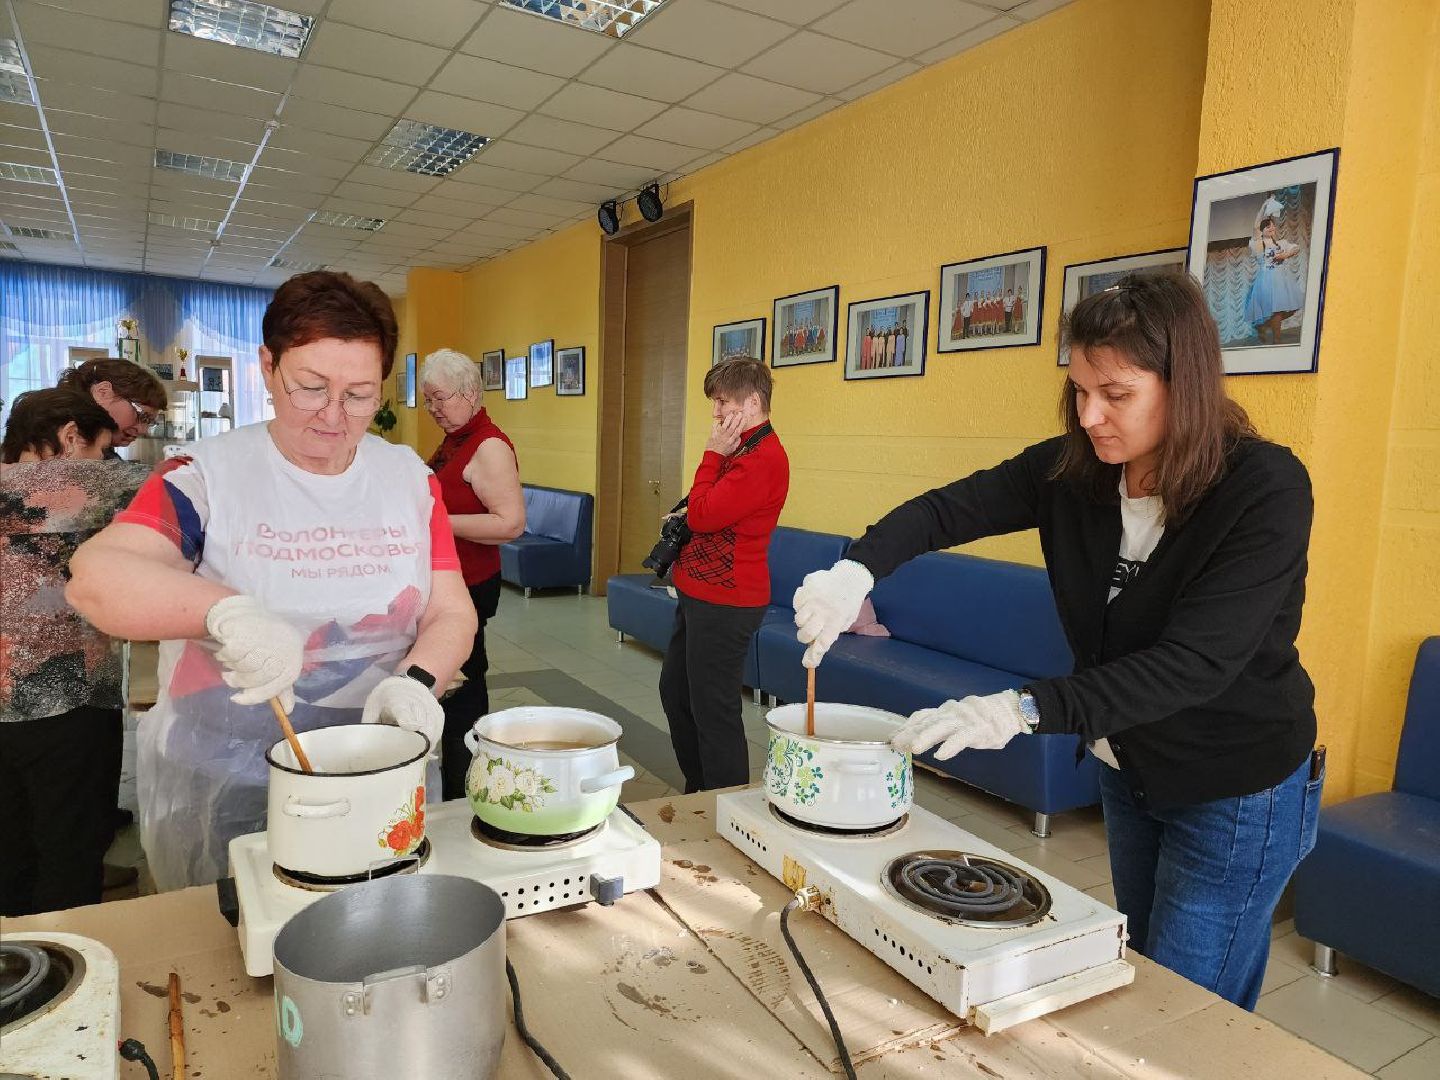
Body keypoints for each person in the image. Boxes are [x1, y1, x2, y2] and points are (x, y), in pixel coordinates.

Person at [793, 271, 1321, 1011]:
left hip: (1234, 783)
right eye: (1078, 390)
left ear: (1185, 383)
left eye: (1117, 394)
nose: (1091, 415)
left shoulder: (1264, 488)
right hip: (1128, 762)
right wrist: (856, 569)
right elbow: (950, 509)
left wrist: (1023, 709)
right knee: (1141, 965)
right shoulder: (1079, 467)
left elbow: (1196, 663)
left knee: (1186, 1007)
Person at [67, 271, 478, 889]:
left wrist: (418, 684)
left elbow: (450, 610)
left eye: (361, 394)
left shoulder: (407, 479)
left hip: (378, 768)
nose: (335, 416)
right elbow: (95, 578)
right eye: (310, 388)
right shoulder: (206, 476)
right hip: (229, 776)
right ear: (267, 366)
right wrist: (226, 612)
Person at [1, 389, 151, 915]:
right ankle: (66, 976)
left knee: (11, 848)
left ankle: (18, 967)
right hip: (65, 702)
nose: (104, 463)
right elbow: (185, 482)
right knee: (70, 849)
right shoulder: (63, 484)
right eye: (99, 450)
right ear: (69, 436)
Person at [660, 359, 789, 793]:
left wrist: (712, 453)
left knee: (713, 711)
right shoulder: (743, 449)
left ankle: (724, 803)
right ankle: (699, 791)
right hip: (700, 595)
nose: (715, 413)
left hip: (728, 602)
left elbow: (704, 512)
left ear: (753, 401)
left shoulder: (763, 457)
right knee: (676, 694)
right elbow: (706, 508)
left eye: (721, 401)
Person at [420, 348, 525, 800]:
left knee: (465, 685)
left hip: (471, 586)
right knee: (454, 681)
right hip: (448, 582)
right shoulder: (456, 439)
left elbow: (510, 524)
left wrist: (436, 521)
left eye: (440, 399)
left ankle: (465, 787)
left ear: (469, 393)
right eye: (428, 401)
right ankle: (456, 780)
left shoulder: (489, 446)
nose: (433, 410)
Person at [57, 357, 167, 457]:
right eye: (142, 416)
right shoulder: (54, 442)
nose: (143, 430)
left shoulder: (106, 452)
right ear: (103, 392)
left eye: (149, 422)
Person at [1245, 201, 1304, 344]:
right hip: (1266, 280)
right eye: (1267, 226)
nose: (1271, 227)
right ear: (1262, 230)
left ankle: (1263, 326)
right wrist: (1264, 206)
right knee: (1277, 311)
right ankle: (1277, 339)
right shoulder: (1257, 244)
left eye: (1272, 225)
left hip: (1282, 280)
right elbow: (1256, 225)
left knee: (1290, 310)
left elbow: (1296, 248)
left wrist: (1285, 255)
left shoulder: (1281, 243)